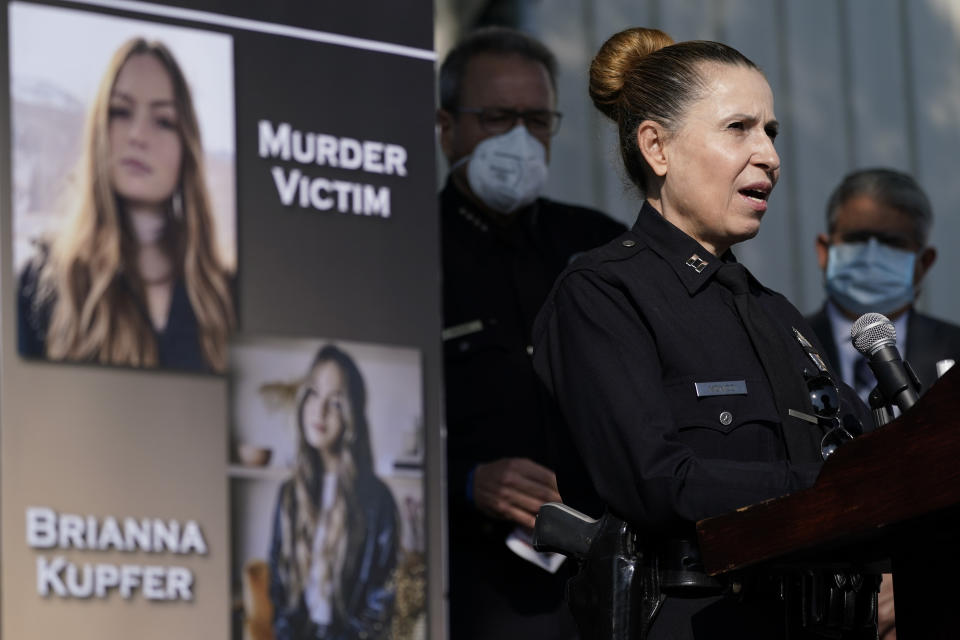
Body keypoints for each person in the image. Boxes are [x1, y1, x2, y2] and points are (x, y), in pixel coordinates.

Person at [532, 27, 874, 639]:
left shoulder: (779, 316)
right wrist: (836, 488)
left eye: (771, 132)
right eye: (739, 128)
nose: (768, 154)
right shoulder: (603, 293)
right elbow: (655, 482)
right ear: (657, 148)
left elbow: (863, 457)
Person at [437, 26, 625, 639]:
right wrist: (464, 479)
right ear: (446, 128)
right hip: (470, 587)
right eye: (497, 117)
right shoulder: (401, 252)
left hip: (604, 583)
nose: (520, 138)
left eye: (538, 120)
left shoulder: (600, 246)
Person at [16, 37, 234, 373]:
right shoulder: (41, 284)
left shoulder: (227, 291)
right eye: (120, 112)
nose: (137, 135)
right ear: (99, 131)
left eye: (163, 120)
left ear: (186, 145)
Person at [806, 167, 960, 640]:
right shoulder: (784, 349)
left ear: (924, 261)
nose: (872, 256)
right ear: (824, 250)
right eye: (857, 238)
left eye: (892, 244)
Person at [268, 344, 400, 640]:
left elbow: (383, 594)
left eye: (336, 400)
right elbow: (278, 585)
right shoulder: (288, 495)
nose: (320, 409)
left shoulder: (378, 500)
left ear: (351, 415)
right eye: (313, 393)